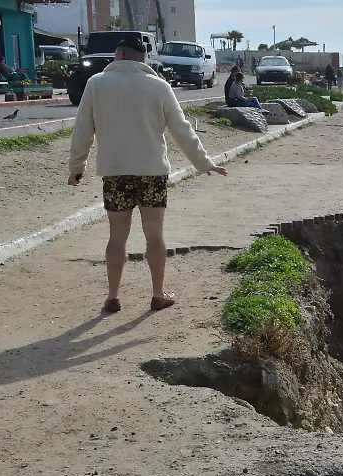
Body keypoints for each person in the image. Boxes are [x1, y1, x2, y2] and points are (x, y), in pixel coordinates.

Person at [68, 36, 228, 313]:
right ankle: (157, 294)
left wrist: (76, 168)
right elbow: (182, 129)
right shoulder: (159, 87)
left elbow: (83, 129)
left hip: (115, 173)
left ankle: (113, 296)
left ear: (118, 54)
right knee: (154, 234)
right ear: (142, 60)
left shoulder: (96, 84)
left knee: (117, 235)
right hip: (152, 173)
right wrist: (205, 163)